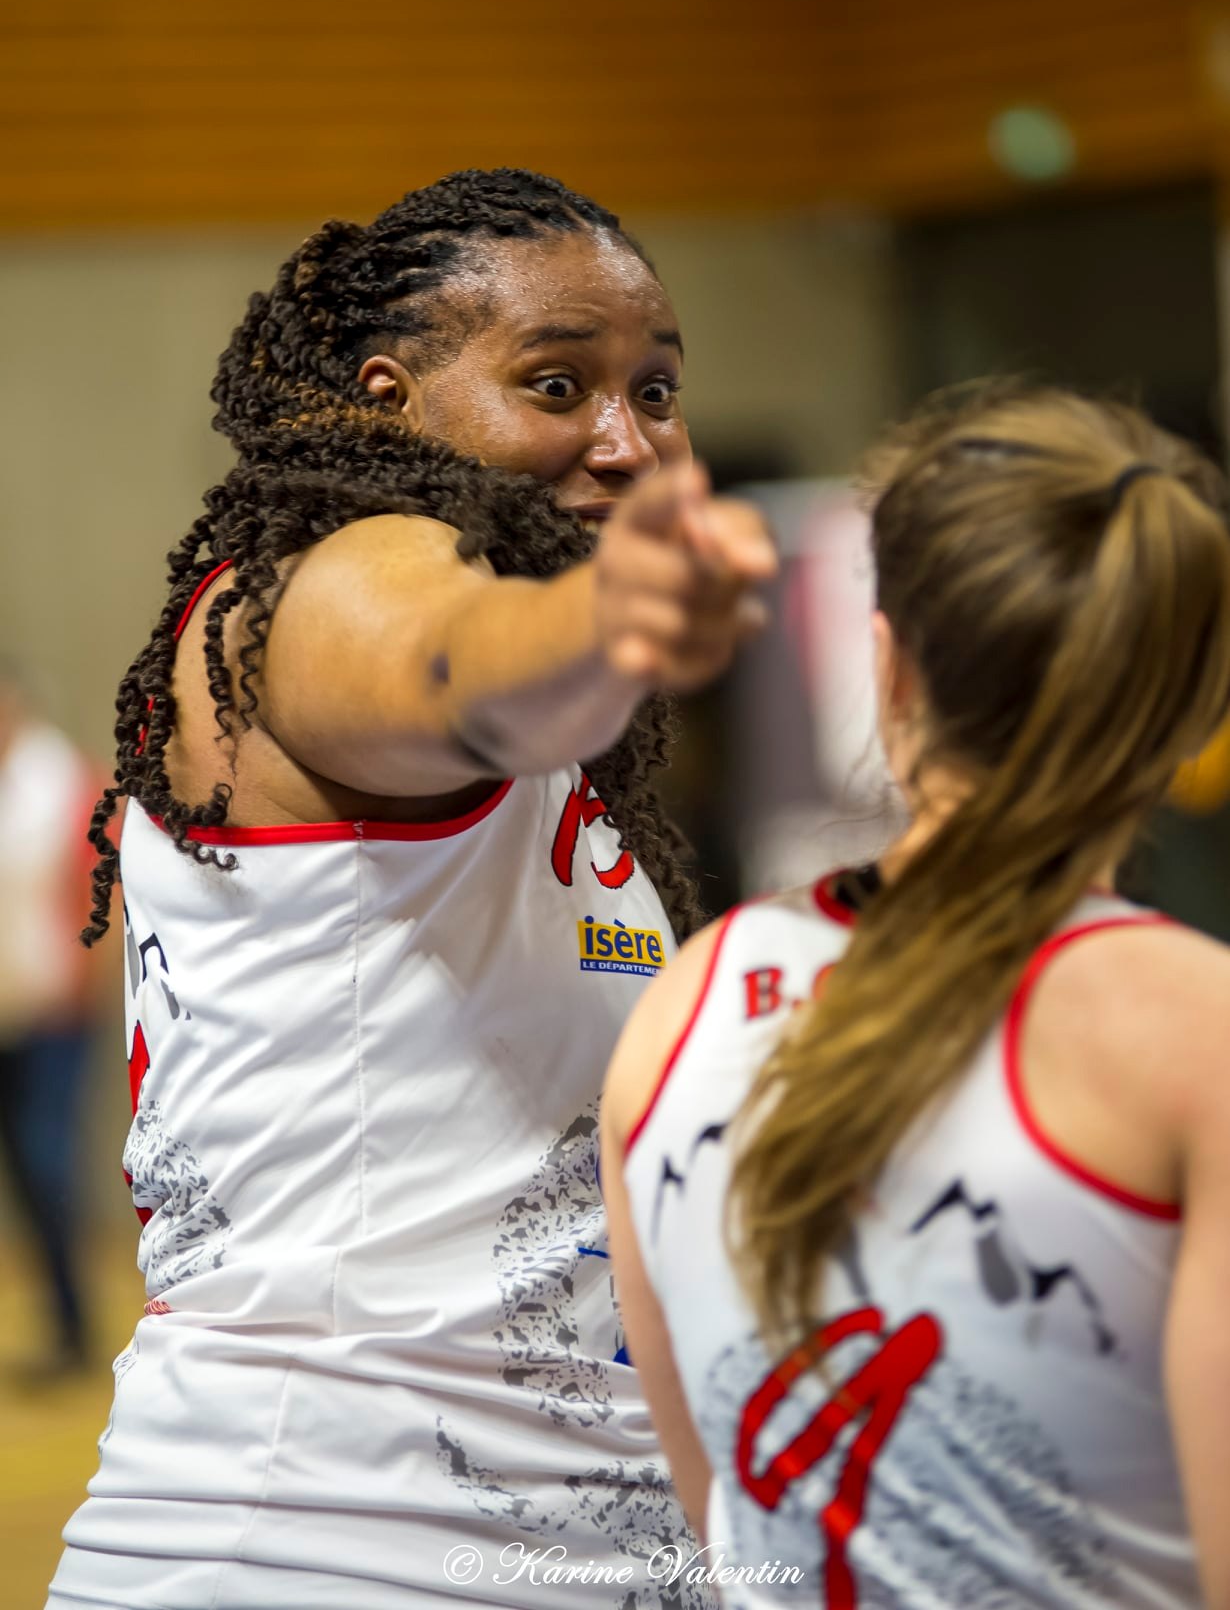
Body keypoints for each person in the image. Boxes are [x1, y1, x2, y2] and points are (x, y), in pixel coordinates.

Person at [49, 169, 777, 1610]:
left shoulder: (580, 768)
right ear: (388, 400)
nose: (625, 442)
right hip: (321, 1548)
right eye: (556, 385)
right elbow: (459, 662)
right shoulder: (313, 596)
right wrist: (600, 619)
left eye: (658, 392)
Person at [603, 385, 1230, 1609]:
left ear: (885, 667)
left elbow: (724, 1517)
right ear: (1188, 711)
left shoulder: (685, 1001)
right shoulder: (1193, 1033)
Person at [0, 659, 111, 1382]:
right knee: (27, 1173)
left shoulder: (63, 781)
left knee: (47, 1163)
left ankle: (75, 1326)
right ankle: (59, 1322)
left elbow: (99, 886)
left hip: (52, 1014)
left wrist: (82, 975)